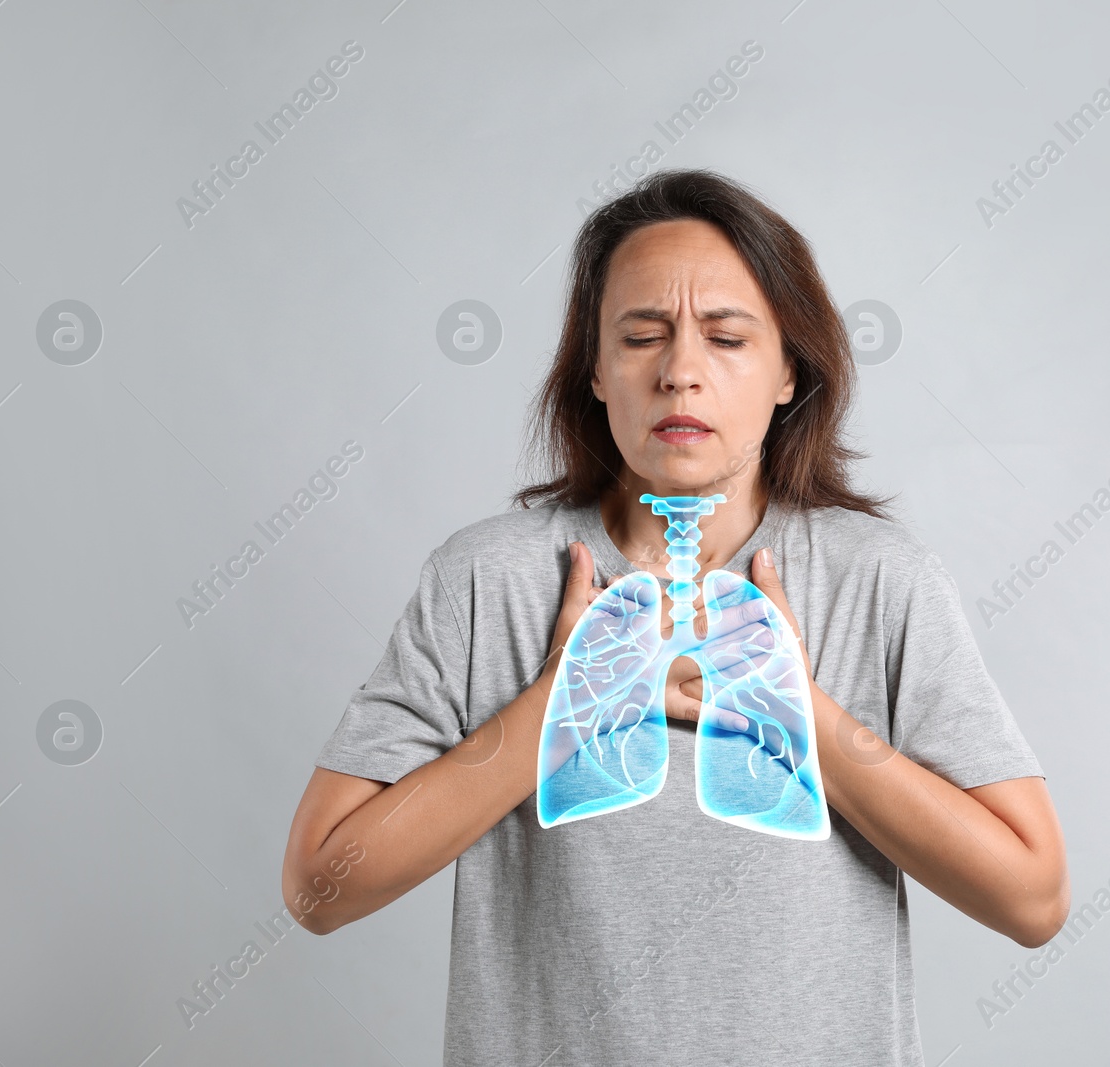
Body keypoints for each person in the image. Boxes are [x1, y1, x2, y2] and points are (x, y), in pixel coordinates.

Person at [281, 168, 1069, 1065]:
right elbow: (318, 887)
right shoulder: (485, 579)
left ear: (787, 372)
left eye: (727, 338)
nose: (681, 372)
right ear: (597, 372)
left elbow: (1033, 899)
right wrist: (558, 707)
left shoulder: (880, 580)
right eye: (642, 336)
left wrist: (804, 715)